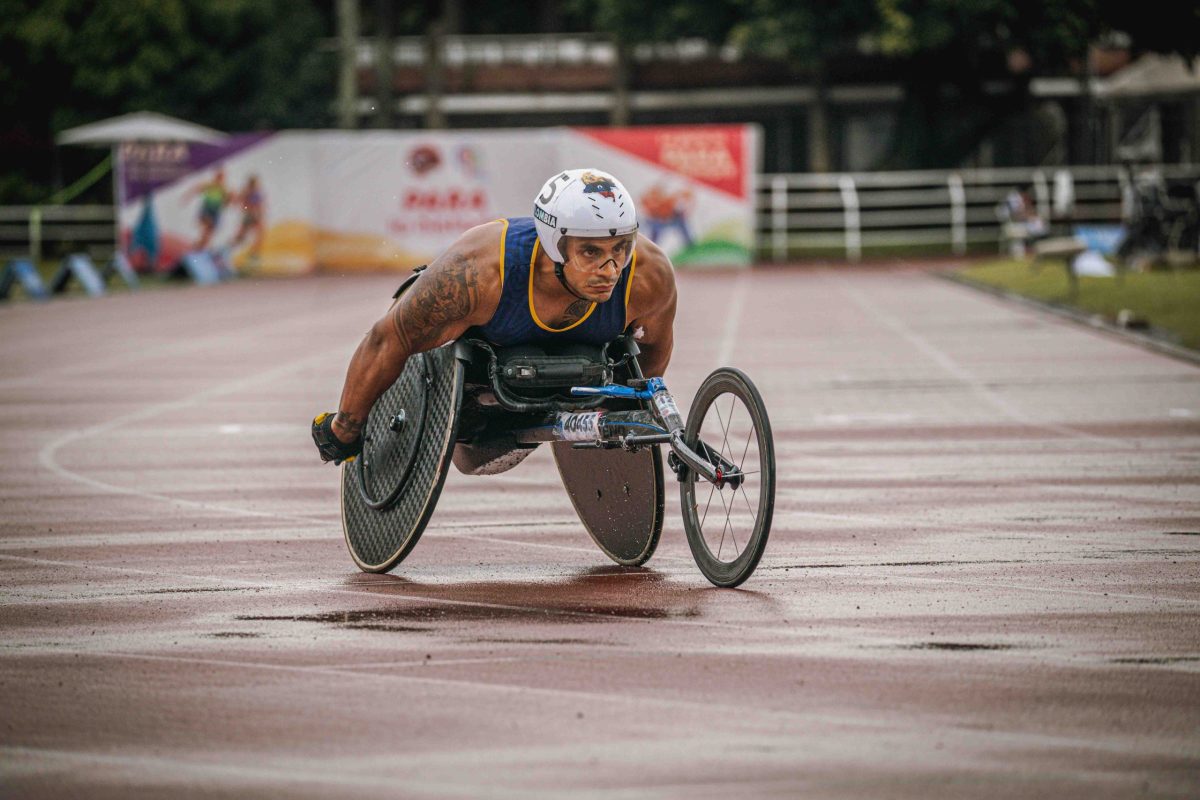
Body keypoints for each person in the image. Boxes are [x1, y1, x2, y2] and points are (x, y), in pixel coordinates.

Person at [312, 168, 678, 464]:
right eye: (590, 253)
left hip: (575, 376)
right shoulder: (479, 273)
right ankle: (477, 420)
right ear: (554, 244)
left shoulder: (649, 275)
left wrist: (627, 416)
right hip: (487, 380)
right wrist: (345, 427)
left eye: (621, 248)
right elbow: (389, 339)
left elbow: (654, 352)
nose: (610, 269)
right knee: (473, 458)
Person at [232, 174, 266, 263]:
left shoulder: (257, 191)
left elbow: (260, 205)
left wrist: (261, 214)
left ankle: (253, 255)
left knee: (260, 235)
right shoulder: (247, 191)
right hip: (250, 215)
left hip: (255, 216)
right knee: (241, 237)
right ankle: (228, 249)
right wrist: (245, 206)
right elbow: (239, 200)